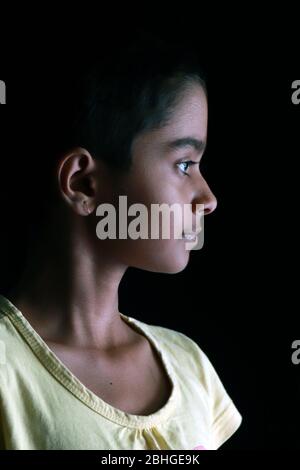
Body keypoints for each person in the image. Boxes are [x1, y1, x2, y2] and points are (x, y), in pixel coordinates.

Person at [0, 33, 242, 450]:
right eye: (185, 164)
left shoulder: (190, 365)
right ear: (84, 183)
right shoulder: (7, 371)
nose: (209, 198)